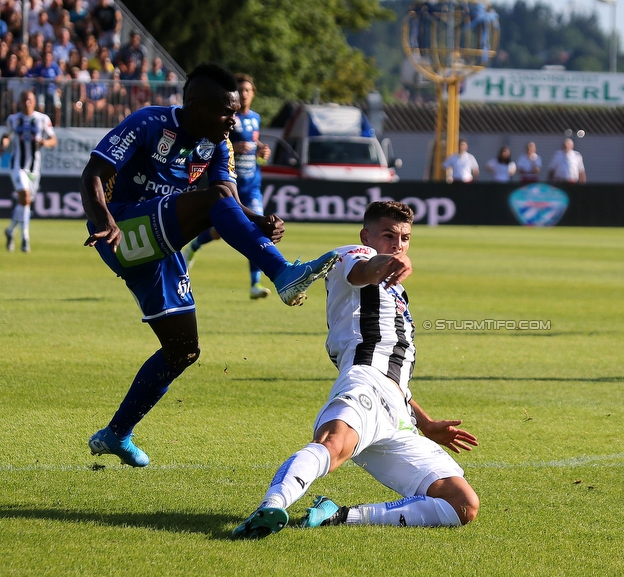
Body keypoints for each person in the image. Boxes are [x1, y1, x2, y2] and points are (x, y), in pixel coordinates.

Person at [81, 63, 341, 468]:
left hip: (161, 238)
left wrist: (258, 220)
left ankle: (116, 433)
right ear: (194, 107)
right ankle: (283, 274)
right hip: (121, 229)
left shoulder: (218, 142)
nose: (233, 121)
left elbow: (228, 197)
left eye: (235, 111)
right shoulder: (148, 122)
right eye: (225, 112)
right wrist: (104, 222)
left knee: (183, 351)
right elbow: (93, 174)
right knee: (209, 201)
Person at [232, 200, 480, 539]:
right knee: (333, 446)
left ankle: (337, 516)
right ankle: (271, 506)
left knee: (461, 504)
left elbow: (395, 375)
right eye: (389, 235)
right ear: (367, 235)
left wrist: (425, 422)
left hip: (397, 410)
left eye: (405, 238)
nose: (397, 244)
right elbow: (366, 269)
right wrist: (391, 260)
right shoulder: (351, 255)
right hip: (365, 381)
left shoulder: (396, 291)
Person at [183, 73, 275, 299]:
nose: (244, 95)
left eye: (247, 90)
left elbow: (256, 153)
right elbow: (213, 143)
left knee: (257, 229)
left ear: (253, 94)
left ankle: (255, 284)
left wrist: (262, 153)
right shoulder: (224, 117)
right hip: (228, 184)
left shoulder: (256, 118)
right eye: (240, 90)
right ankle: (193, 247)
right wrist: (235, 145)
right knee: (217, 232)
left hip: (251, 185)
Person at [2, 90, 56, 253]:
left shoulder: (42, 119)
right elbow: (6, 135)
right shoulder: (13, 119)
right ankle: (25, 237)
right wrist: (4, 143)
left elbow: (53, 140)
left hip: (34, 169)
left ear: (34, 102)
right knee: (25, 197)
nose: (27, 102)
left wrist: (44, 143)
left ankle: (10, 230)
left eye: (30, 100)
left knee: (24, 203)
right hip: (17, 166)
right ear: (20, 102)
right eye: (24, 99)